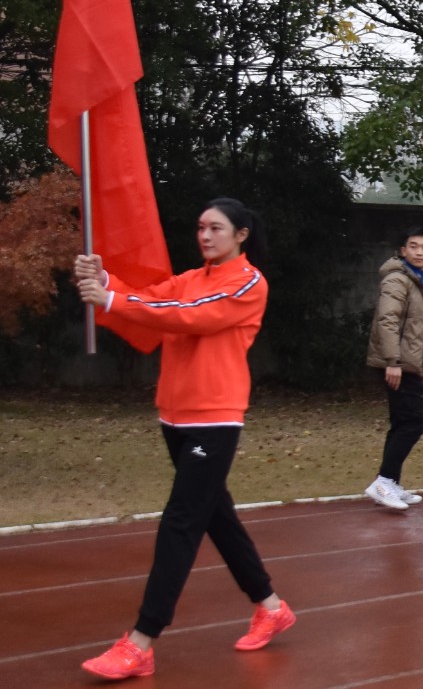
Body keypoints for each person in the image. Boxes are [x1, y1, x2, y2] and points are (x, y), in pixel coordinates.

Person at [76, 198, 294, 680]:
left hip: (214, 418)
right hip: (175, 416)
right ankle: (271, 606)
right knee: (216, 516)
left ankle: (141, 641)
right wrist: (105, 279)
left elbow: (187, 316)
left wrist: (110, 300)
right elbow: (151, 298)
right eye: (200, 228)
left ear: (241, 234)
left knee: (180, 522)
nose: (205, 236)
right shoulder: (191, 278)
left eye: (215, 228)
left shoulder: (248, 282)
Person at [363, 226, 423, 511]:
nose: (419, 252)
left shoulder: (422, 281)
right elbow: (388, 321)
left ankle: (389, 482)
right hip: (397, 363)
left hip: (409, 363)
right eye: (413, 246)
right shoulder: (397, 279)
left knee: (402, 423)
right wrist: (392, 362)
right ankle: (384, 481)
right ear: (403, 251)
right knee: (414, 422)